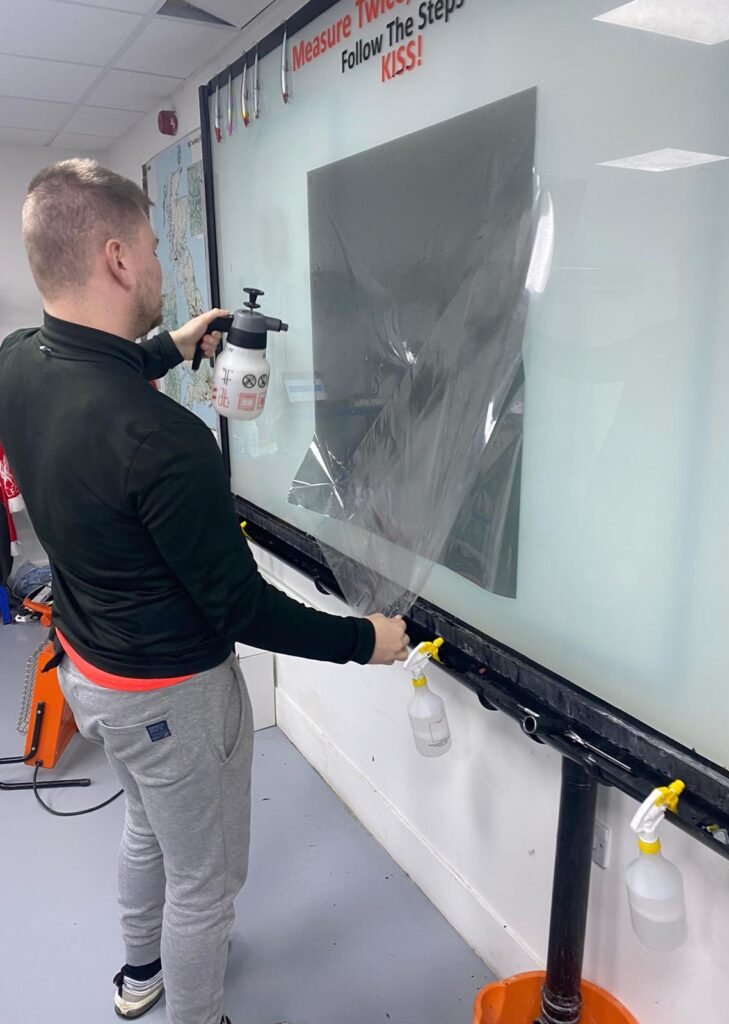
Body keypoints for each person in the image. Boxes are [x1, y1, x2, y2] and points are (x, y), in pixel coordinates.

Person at [0, 159, 409, 1024]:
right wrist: (362, 641)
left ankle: (139, 977)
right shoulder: (164, 440)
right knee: (205, 882)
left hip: (87, 670)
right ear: (117, 259)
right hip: (170, 698)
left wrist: (169, 347)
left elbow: (88, 382)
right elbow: (241, 608)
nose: (159, 264)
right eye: (152, 247)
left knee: (146, 826)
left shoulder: (15, 363)